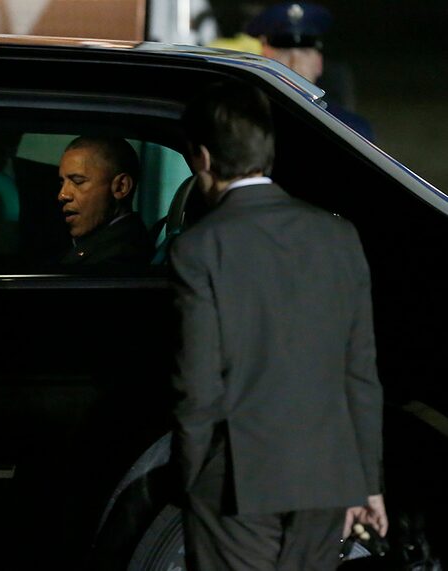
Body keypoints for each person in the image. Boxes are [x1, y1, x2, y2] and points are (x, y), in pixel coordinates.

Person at [168, 80, 387, 570]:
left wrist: (189, 477)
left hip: (238, 479)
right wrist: (367, 482)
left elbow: (198, 387)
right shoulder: (338, 236)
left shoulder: (200, 248)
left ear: (202, 158)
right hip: (328, 477)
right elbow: (361, 375)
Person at [246, 1, 375, 141]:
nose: (294, 63)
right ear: (264, 58)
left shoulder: (351, 132)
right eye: (283, 52)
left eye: (305, 52)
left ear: (319, 64)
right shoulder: (241, 124)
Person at [57, 136, 152, 269]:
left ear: (121, 187)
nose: (62, 195)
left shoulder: (118, 259)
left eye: (78, 181)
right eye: (62, 182)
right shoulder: (98, 245)